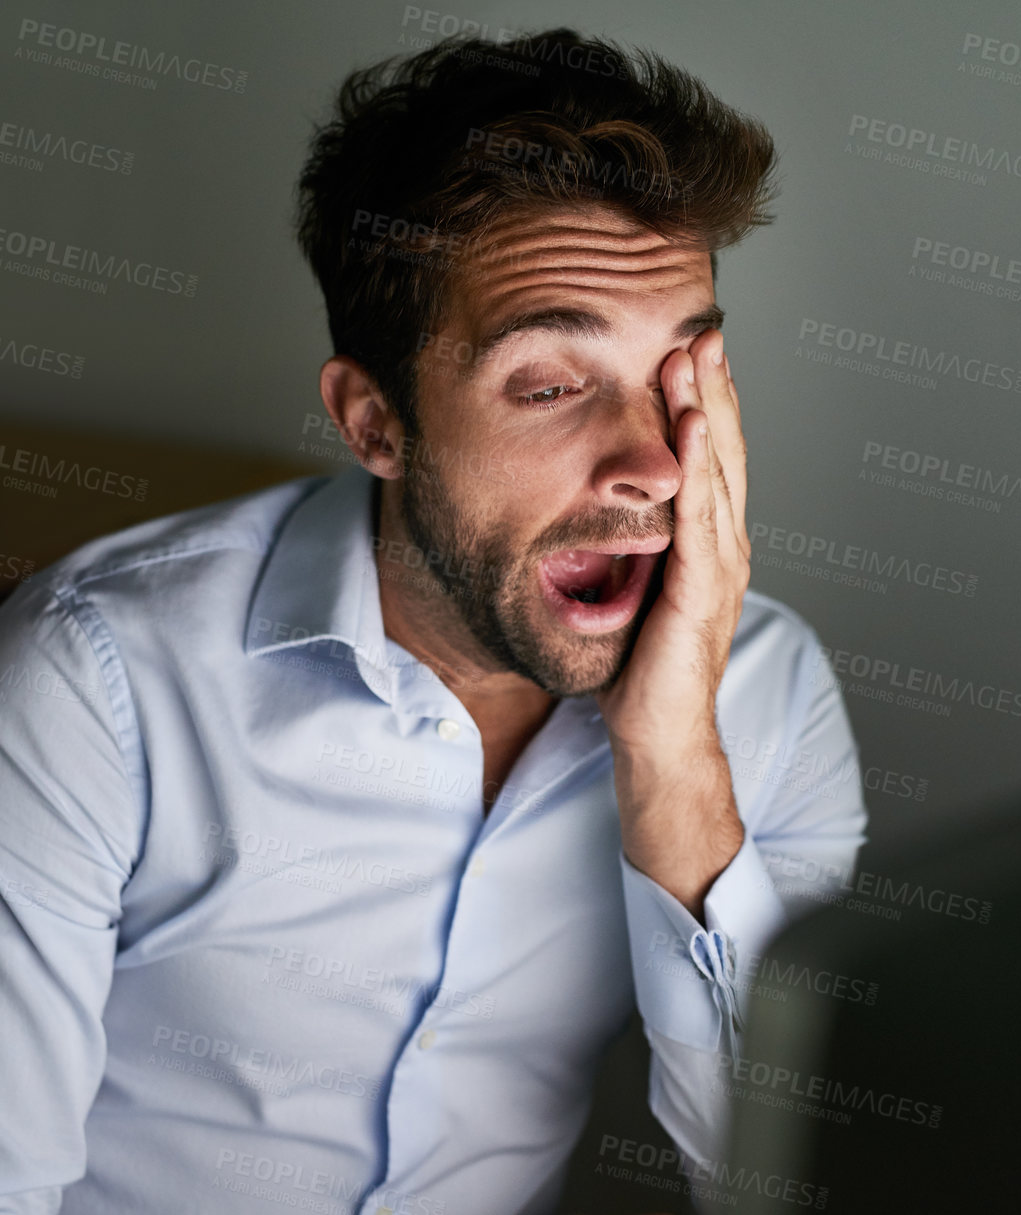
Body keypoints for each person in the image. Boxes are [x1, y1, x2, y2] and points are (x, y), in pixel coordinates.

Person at [0, 28, 867, 1215]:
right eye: (551, 386)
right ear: (373, 423)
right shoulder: (94, 678)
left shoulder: (766, 691)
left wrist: (672, 761)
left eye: (683, 380)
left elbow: (786, 1180)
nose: (655, 468)